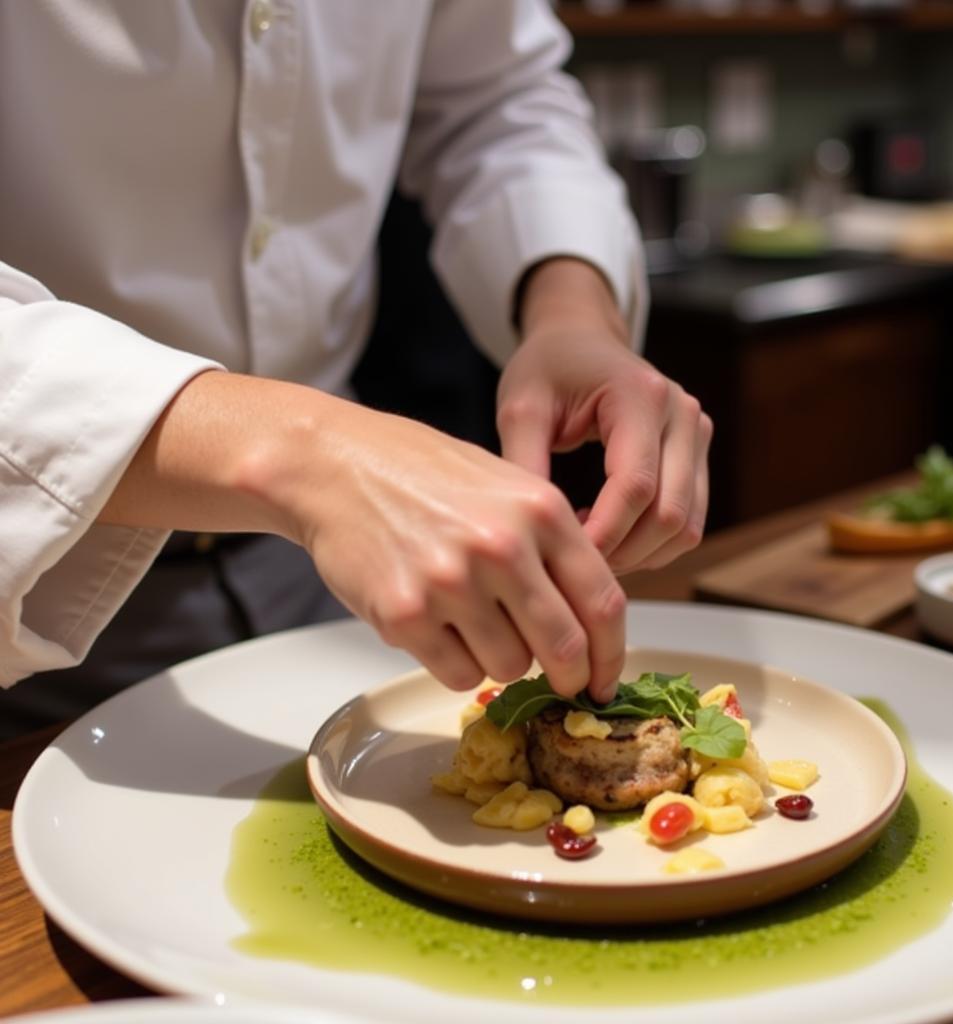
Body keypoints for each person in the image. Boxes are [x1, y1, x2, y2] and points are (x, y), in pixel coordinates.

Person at [0, 1, 711, 738]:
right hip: (32, 589)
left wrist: (574, 315)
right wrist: (305, 452)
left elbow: (498, 100)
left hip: (328, 590)